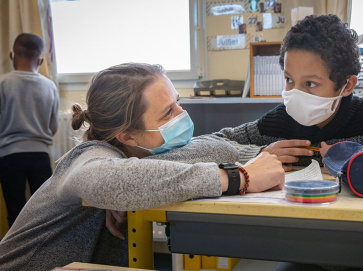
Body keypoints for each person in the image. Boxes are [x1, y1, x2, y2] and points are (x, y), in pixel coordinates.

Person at [0, 63, 285, 270]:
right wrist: (237, 176)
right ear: (127, 136)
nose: (182, 115)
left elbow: (212, 144)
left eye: (178, 103)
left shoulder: (132, 155)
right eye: (168, 113)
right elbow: (108, 183)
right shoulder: (88, 157)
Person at [214, 14, 363, 171]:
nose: (294, 94)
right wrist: (256, 153)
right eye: (289, 80)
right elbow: (200, 147)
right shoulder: (274, 124)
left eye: (310, 84)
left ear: (347, 86)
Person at [0, 33, 59, 227]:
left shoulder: (3, 83)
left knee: (15, 211)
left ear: (12, 55)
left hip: (9, 155)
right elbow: (53, 127)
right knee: (42, 211)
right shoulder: (49, 86)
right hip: (39, 155)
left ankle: (15, 255)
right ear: (41, 60)